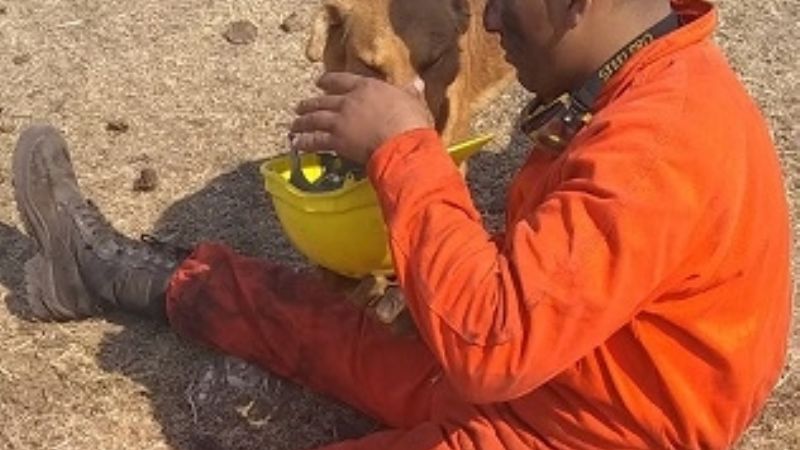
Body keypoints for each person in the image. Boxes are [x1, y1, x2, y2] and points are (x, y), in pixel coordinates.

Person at [11, 0, 791, 448]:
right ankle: (112, 272)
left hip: (582, 430)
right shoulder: (646, 84)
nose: (488, 19)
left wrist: (405, 147)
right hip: (565, 375)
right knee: (329, 324)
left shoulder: (658, 147)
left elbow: (492, 348)